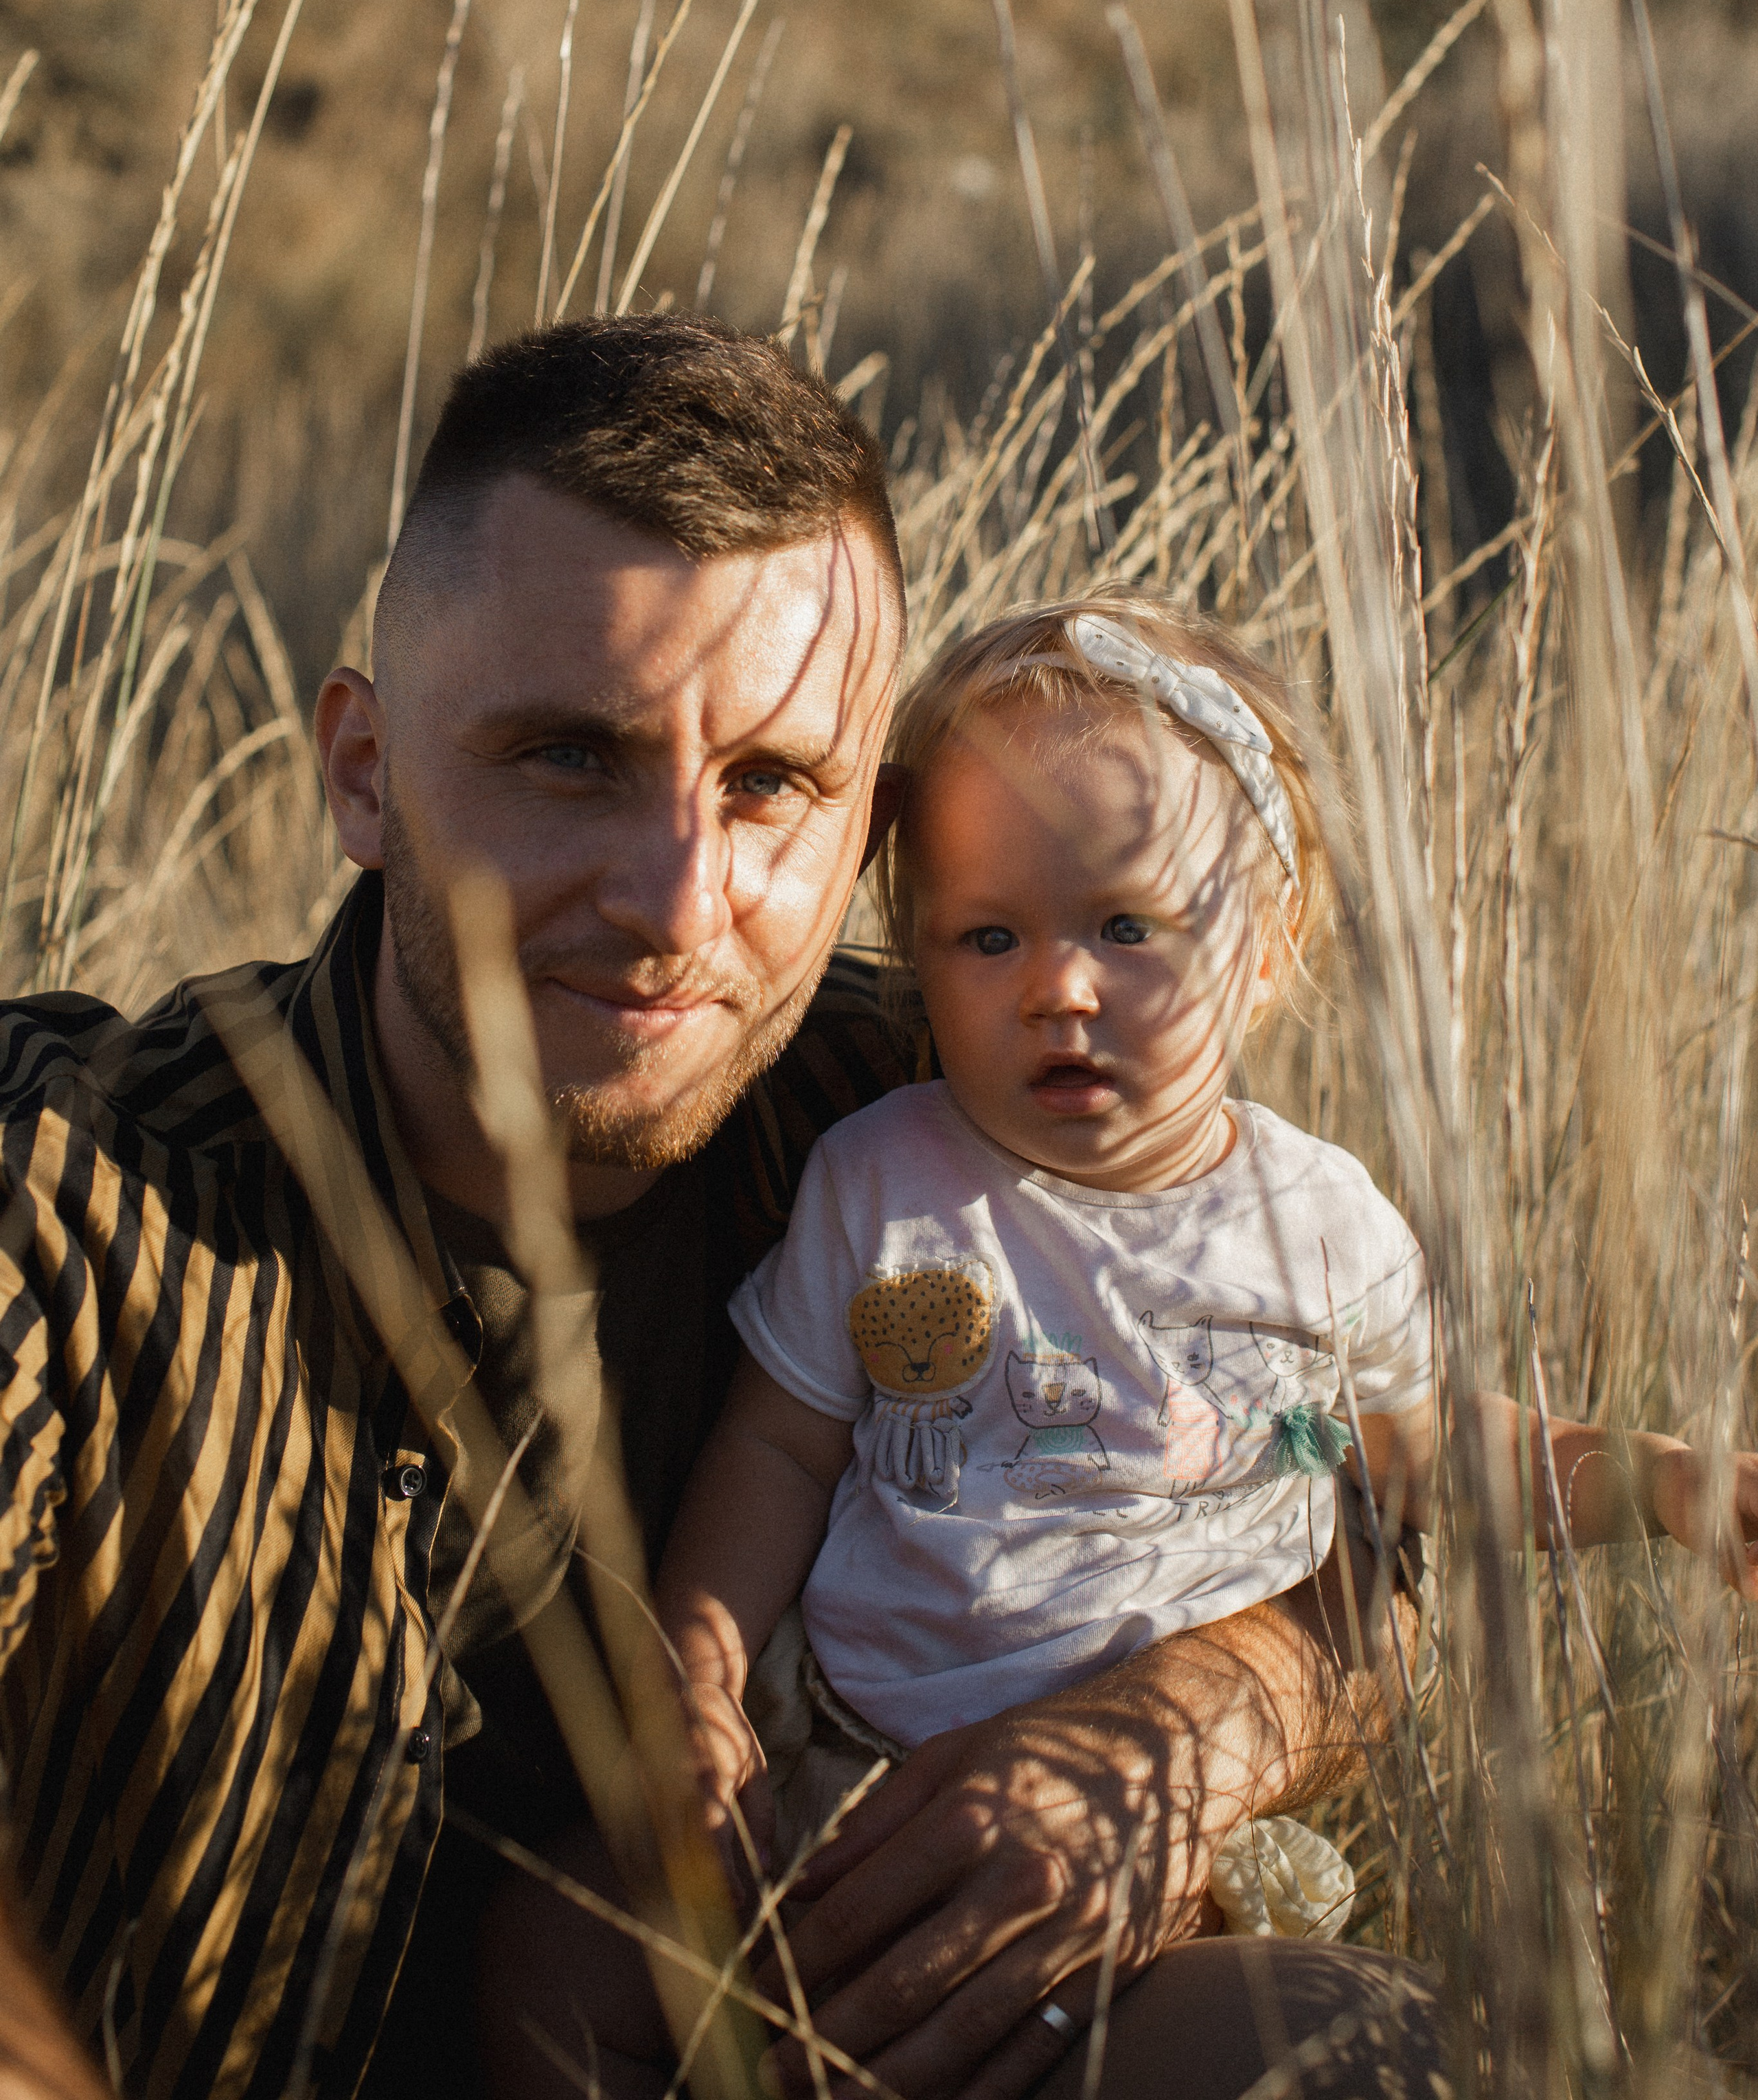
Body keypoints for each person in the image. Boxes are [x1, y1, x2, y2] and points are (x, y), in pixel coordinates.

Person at [0, 317, 1426, 2100]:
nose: (681, 903)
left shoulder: (942, 1132)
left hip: (832, 2043)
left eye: (771, 786)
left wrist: (1183, 1732)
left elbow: (1372, 1531)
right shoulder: (82, 1202)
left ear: (869, 827)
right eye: (569, 758)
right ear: (363, 770)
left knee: (1357, 2059)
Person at [631, 594, 1758, 2029]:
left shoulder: (1316, 1226)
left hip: (1157, 1848)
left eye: (1126, 924)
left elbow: (1426, 1459)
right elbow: (777, 1450)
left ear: (1270, 944)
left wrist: (1653, 1482)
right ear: (913, 950)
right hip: (841, 1773)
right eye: (985, 938)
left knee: (1319, 2038)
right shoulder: (882, 1180)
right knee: (562, 1969)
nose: (1058, 987)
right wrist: (698, 1666)